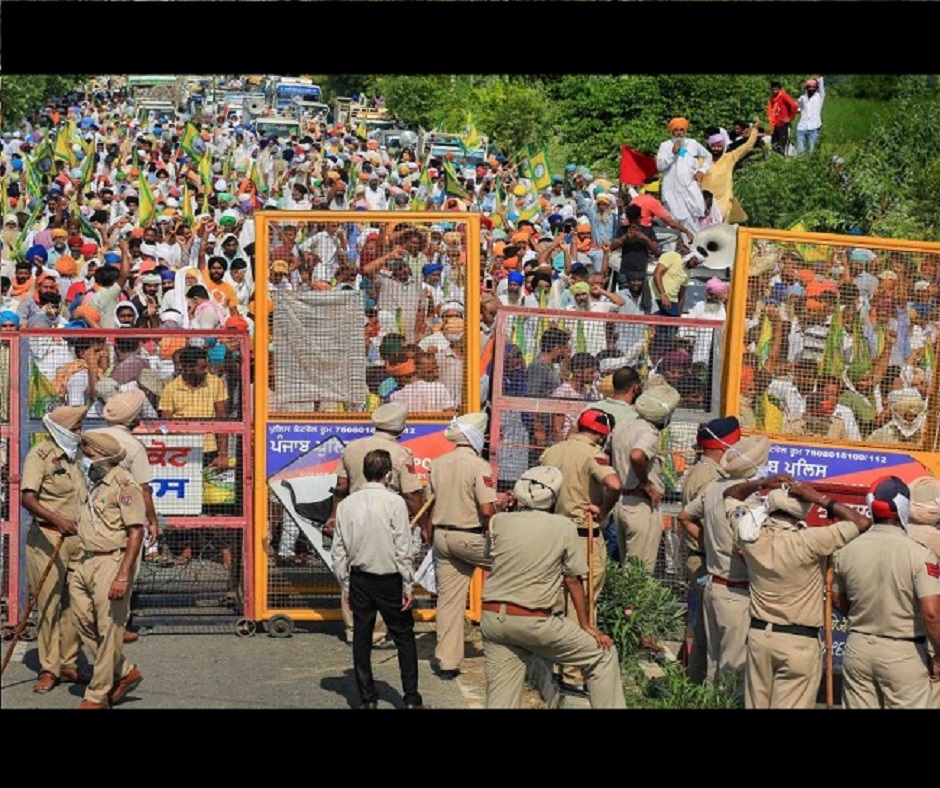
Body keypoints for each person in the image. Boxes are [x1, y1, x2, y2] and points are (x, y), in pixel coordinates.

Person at [481, 465, 626, 709]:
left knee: (501, 697)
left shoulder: (498, 522)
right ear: (554, 497)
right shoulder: (563, 527)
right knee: (603, 655)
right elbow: (572, 579)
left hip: (494, 619)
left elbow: (490, 556)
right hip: (534, 621)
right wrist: (586, 625)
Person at [732, 482, 872, 709]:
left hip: (759, 637)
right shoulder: (811, 541)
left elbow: (730, 497)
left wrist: (762, 483)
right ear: (802, 511)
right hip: (798, 641)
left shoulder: (749, 535)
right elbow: (862, 522)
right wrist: (819, 497)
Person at [678, 435, 791, 699]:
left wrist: (708, 543)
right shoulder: (748, 501)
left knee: (713, 665)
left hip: (713, 584)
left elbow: (684, 516)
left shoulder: (715, 486)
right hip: (737, 591)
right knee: (732, 672)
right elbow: (747, 546)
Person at [831, 476, 940, 708]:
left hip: (858, 646)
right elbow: (931, 613)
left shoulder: (848, 549)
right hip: (904, 652)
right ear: (903, 508)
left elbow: (837, 598)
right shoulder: (919, 554)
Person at [331, 448, 423, 709]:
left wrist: (345, 584)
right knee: (404, 637)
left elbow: (339, 550)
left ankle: (367, 698)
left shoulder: (347, 504)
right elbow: (403, 547)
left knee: (362, 636)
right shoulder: (395, 503)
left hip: (359, 577)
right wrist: (408, 584)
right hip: (390, 578)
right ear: (388, 474)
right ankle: (411, 698)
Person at [327, 402, 425, 646]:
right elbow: (412, 494)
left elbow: (341, 486)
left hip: (353, 509)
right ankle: (377, 634)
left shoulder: (352, 447)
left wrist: (333, 515)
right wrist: (423, 523)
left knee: (352, 566)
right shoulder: (401, 453)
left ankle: (353, 630)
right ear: (401, 427)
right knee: (381, 567)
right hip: (385, 511)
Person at [540, 407, 622, 692]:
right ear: (601, 433)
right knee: (583, 604)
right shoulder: (593, 454)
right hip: (582, 534)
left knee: (558, 603)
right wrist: (603, 509)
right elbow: (614, 484)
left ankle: (555, 666)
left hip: (552, 533)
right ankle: (574, 675)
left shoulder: (552, 452)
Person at [70, 431, 145, 709]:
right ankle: (124, 670)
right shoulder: (94, 483)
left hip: (111, 562)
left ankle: (97, 694)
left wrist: (123, 574)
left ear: (103, 457)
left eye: (89, 456)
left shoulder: (125, 485)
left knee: (109, 628)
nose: (85, 460)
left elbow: (135, 530)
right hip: (84, 560)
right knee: (83, 621)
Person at [21, 405, 90, 694]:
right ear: (62, 430)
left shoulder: (80, 456)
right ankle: (49, 668)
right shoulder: (40, 456)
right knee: (48, 604)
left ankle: (69, 662)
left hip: (80, 540)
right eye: (75, 428)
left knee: (75, 603)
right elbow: (28, 497)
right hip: (49, 540)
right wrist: (57, 520)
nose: (80, 433)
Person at [424, 412, 497, 680]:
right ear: (477, 437)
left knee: (449, 601)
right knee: (515, 565)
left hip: (443, 537)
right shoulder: (479, 466)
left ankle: (447, 663)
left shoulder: (439, 463)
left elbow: (429, 503)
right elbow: (487, 508)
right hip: (471, 537)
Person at [678, 416, 742, 684]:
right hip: (706, 561)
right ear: (725, 445)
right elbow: (701, 520)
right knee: (707, 639)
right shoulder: (710, 477)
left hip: (702, 559)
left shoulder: (702, 470)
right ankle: (701, 691)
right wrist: (712, 544)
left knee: (704, 634)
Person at [610, 383, 680, 572]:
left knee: (628, 569)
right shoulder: (648, 431)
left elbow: (606, 454)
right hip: (640, 505)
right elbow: (637, 455)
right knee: (639, 575)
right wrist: (646, 483)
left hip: (620, 502)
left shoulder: (624, 426)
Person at [656, 117, 711, 237]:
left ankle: (694, 249)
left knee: (692, 221)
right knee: (673, 221)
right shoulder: (665, 146)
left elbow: (708, 156)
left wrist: (702, 170)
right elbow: (659, 166)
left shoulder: (693, 144)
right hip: (671, 192)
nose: (679, 132)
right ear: (671, 131)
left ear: (685, 131)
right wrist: (673, 154)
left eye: (682, 129)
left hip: (689, 189)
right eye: (676, 130)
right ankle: (676, 251)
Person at [700, 120, 760, 223]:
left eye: (719, 146)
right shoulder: (702, 161)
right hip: (704, 201)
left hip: (723, 200)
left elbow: (747, 147)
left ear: (723, 146)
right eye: (713, 146)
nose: (716, 149)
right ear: (709, 146)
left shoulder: (729, 158)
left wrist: (754, 130)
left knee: (721, 228)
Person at [649, 249, 704, 316]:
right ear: (691, 257)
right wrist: (663, 295)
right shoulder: (672, 256)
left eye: (698, 265)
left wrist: (679, 314)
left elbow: (682, 295)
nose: (695, 266)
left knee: (672, 325)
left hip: (673, 302)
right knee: (653, 324)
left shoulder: (687, 273)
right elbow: (657, 274)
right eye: (695, 263)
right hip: (655, 298)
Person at [767, 80, 799, 155]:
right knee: (774, 145)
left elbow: (794, 106)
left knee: (782, 145)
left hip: (783, 125)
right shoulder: (772, 99)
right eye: (773, 89)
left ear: (779, 89)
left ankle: (782, 162)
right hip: (775, 125)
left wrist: (790, 118)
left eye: (776, 89)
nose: (775, 91)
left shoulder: (783, 96)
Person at [795, 77, 826, 155]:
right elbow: (798, 108)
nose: (811, 88)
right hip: (802, 127)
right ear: (806, 88)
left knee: (812, 151)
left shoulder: (819, 97)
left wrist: (818, 79)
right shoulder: (802, 98)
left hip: (814, 127)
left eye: (813, 87)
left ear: (816, 88)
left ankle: (810, 166)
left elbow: (821, 86)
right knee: (800, 151)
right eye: (809, 87)